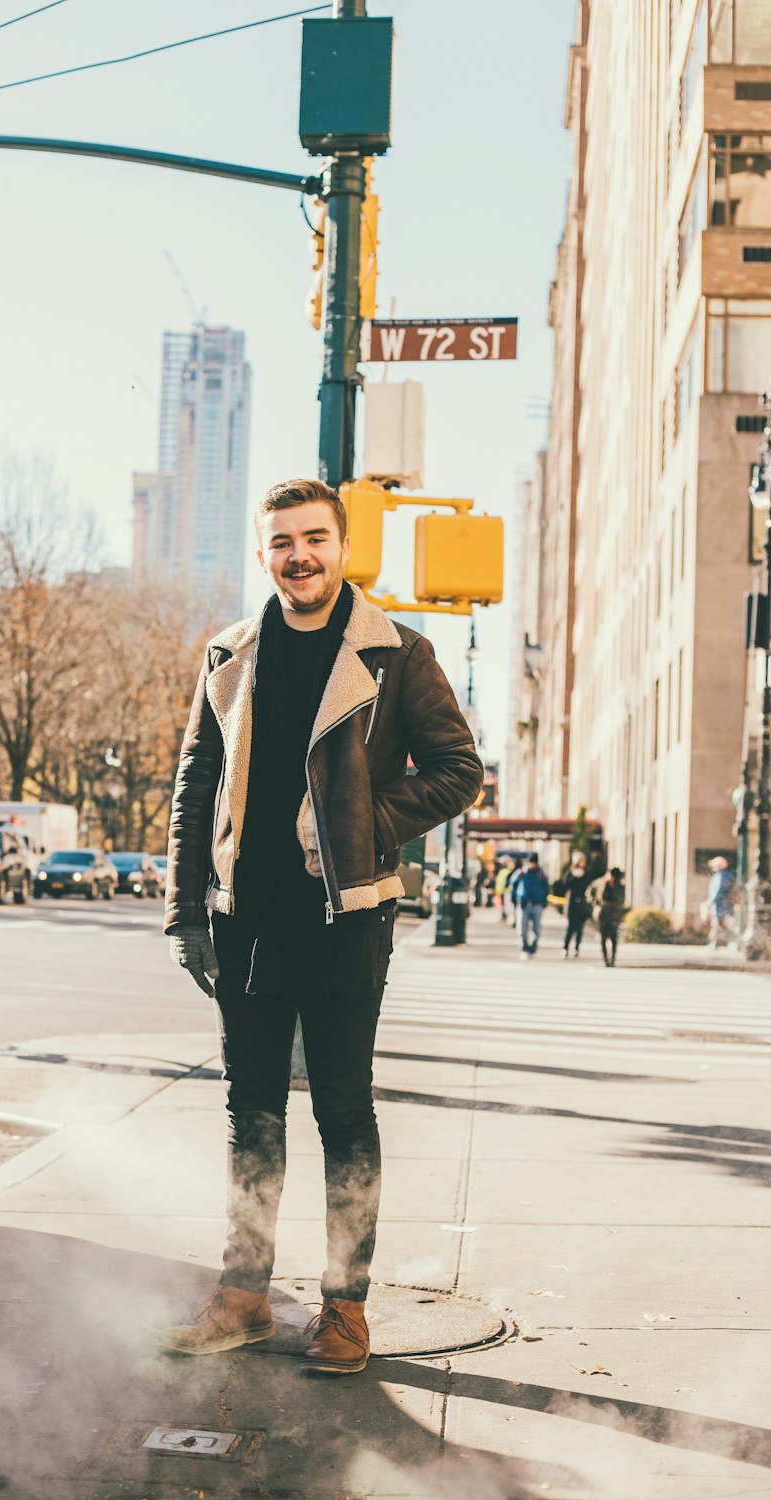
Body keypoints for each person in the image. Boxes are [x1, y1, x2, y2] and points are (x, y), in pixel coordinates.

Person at [163, 477, 483, 1375]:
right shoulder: (228, 652)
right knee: (250, 1111)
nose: (298, 556)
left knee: (344, 1111)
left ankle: (344, 1309)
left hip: (348, 917)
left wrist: (364, 821)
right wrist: (185, 911)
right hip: (245, 918)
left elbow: (460, 771)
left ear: (342, 547)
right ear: (263, 554)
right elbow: (194, 788)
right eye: (281, 543)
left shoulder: (398, 653)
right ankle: (243, 1295)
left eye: (313, 539)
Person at [513, 857, 549, 959]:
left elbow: (546, 887)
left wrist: (543, 901)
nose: (531, 865)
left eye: (533, 863)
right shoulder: (522, 872)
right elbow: (513, 884)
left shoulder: (541, 874)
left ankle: (533, 950)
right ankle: (524, 949)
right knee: (522, 930)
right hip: (523, 904)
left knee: (536, 930)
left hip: (537, 904)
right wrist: (517, 897)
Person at [561, 851, 593, 959]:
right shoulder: (570, 872)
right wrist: (574, 876)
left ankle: (576, 949)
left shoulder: (587, 873)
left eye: (583, 861)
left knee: (580, 928)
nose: (582, 863)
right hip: (572, 904)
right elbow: (565, 885)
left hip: (582, 904)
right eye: (580, 861)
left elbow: (589, 886)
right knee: (570, 927)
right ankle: (565, 948)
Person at [705, 856, 738, 950]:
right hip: (720, 906)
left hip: (722, 906)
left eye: (715, 865)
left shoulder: (723, 876)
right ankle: (715, 943)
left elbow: (719, 891)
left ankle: (733, 942)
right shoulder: (720, 875)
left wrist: (709, 901)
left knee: (721, 926)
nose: (713, 868)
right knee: (719, 926)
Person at [597, 866, 626, 967]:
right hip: (603, 915)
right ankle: (606, 960)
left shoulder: (620, 888)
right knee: (603, 938)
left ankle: (613, 959)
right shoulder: (603, 885)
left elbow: (619, 901)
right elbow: (597, 897)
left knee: (613, 938)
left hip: (614, 916)